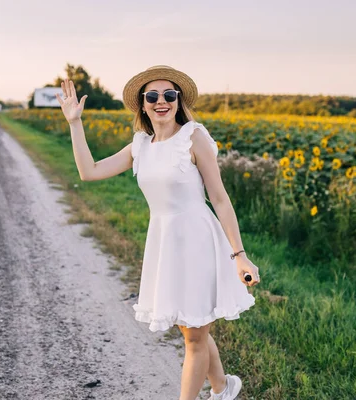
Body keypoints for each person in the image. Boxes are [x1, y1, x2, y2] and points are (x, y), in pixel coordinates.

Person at [56, 65, 260, 400]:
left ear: (179, 101)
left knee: (194, 337)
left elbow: (220, 199)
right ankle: (224, 387)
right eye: (152, 96)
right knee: (190, 325)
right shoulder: (141, 145)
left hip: (198, 242)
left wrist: (240, 256)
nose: (161, 101)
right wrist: (74, 123)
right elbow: (89, 171)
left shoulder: (193, 137)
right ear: (143, 104)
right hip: (165, 243)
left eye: (169, 95)